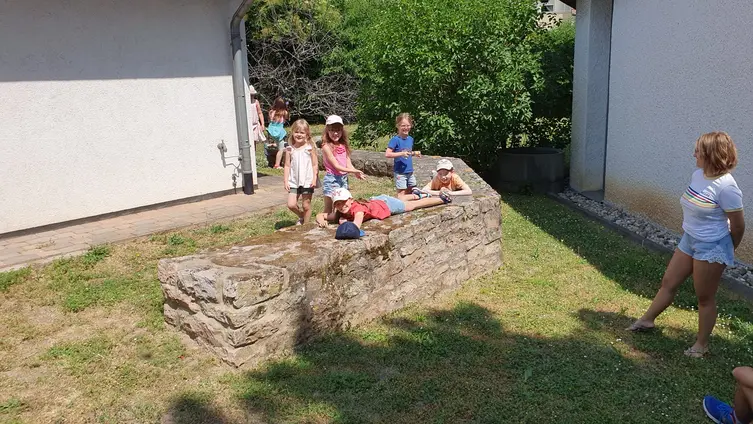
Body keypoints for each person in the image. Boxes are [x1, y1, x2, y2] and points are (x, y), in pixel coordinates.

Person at [626, 131, 745, 358]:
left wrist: (727, 249)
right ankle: (647, 320)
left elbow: (738, 225)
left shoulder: (727, 187)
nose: (694, 154)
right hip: (689, 239)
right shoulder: (698, 175)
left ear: (711, 154)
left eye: (698, 151)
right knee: (668, 282)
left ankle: (701, 345)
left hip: (712, 246)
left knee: (704, 298)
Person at [316, 187, 451, 229]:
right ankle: (419, 194)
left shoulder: (357, 210)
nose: (341, 206)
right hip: (378, 200)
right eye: (337, 204)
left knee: (411, 206)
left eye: (343, 202)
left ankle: (441, 199)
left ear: (351, 200)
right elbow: (320, 215)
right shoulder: (341, 212)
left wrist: (344, 223)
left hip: (386, 205)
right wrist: (322, 221)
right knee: (400, 200)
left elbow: (356, 226)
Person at [320, 115, 365, 215]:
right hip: (332, 179)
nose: (335, 133)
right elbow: (336, 166)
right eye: (332, 130)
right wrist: (354, 171)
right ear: (327, 131)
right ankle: (321, 219)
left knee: (341, 206)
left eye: (338, 130)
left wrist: (356, 172)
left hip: (343, 179)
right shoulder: (326, 147)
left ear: (342, 131)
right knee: (329, 207)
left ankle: (337, 222)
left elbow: (348, 163)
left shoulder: (343, 145)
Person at [283, 119, 318, 225]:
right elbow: (287, 165)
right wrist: (286, 180)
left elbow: (314, 164)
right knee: (291, 204)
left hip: (307, 180)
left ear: (307, 134)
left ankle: (305, 226)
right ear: (292, 133)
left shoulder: (309, 148)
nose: (299, 134)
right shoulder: (290, 149)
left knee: (306, 205)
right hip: (294, 181)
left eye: (302, 132)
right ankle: (302, 215)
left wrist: (314, 178)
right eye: (296, 132)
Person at [385, 113, 421, 196]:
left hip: (410, 171)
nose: (406, 128)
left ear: (411, 125)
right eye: (403, 126)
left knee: (412, 190)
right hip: (400, 172)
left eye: (408, 125)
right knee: (402, 193)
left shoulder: (410, 139)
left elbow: (407, 153)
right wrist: (401, 154)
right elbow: (387, 154)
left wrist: (414, 153)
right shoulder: (395, 140)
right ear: (398, 126)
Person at [267, 97, 289, 169]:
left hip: (272, 131)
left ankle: (274, 144)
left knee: (278, 143)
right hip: (279, 132)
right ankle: (277, 165)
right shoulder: (284, 112)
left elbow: (270, 121)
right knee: (281, 149)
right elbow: (285, 120)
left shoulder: (271, 112)